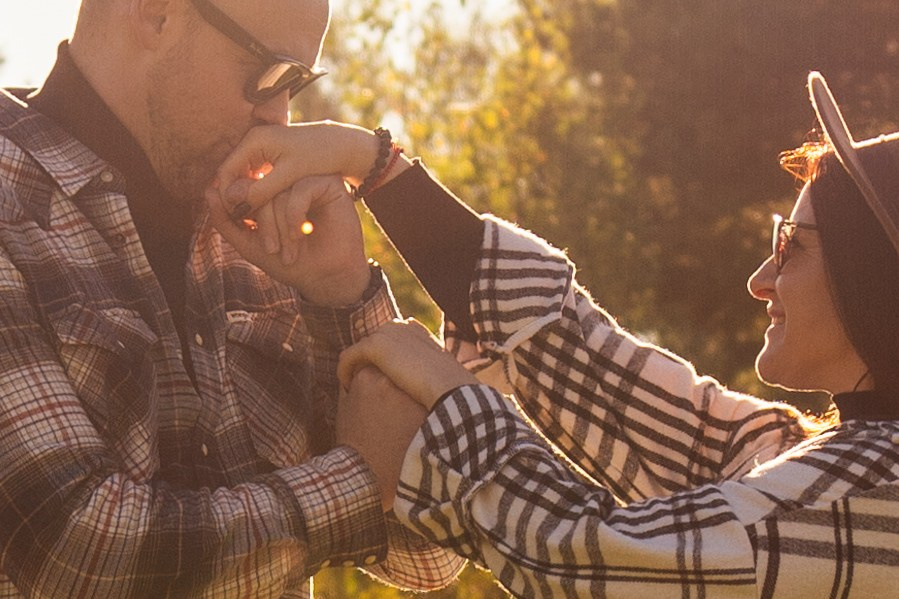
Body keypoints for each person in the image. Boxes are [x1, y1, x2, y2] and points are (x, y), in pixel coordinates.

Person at [211, 71, 899, 597]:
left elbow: (594, 559)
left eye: (792, 247)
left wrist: (447, 405)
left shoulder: (862, 493)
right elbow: (617, 388)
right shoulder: (821, 456)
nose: (759, 278)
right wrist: (377, 165)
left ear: (870, 278)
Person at [0, 0, 464, 596]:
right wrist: (361, 481)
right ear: (156, 13)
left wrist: (345, 293)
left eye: (296, 84)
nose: (278, 117)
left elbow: (428, 553)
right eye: (267, 74)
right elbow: (77, 552)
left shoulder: (256, 230)